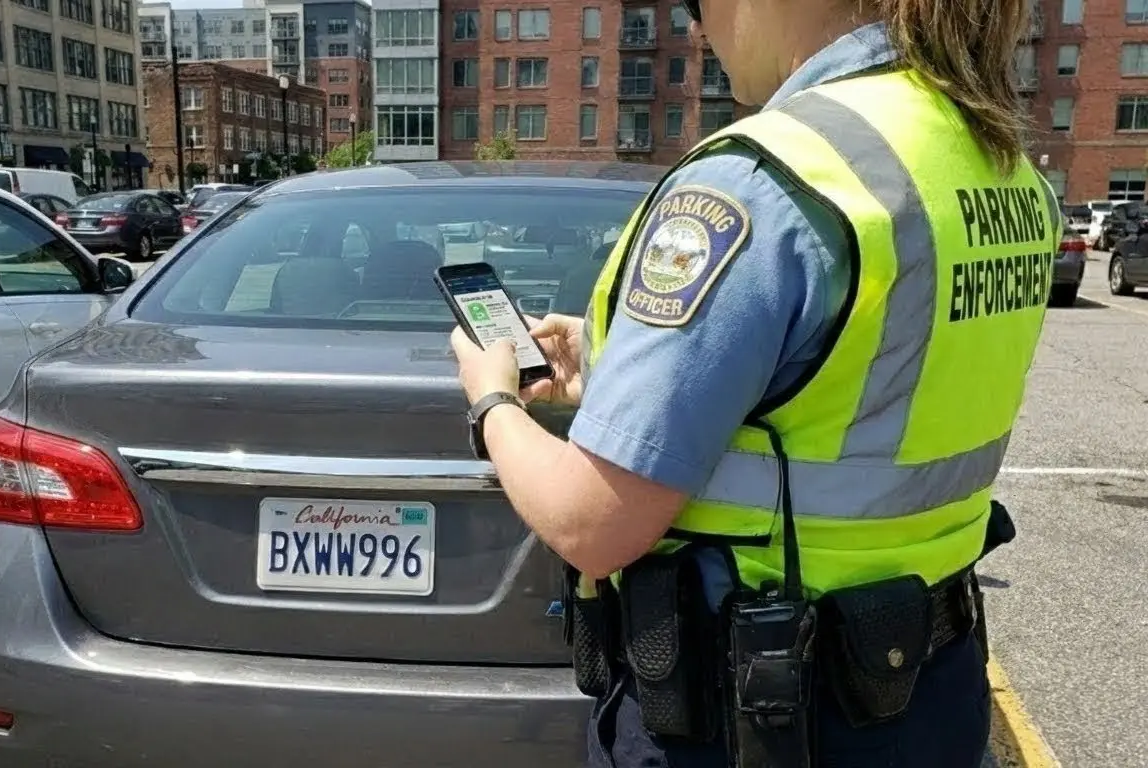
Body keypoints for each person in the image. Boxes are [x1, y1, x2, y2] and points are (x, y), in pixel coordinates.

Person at [448, 0, 1055, 765]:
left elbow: (593, 525)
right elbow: (856, 381)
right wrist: (611, 365)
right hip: (926, 690)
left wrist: (493, 399)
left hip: (763, 714)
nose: (700, 27)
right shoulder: (997, 164)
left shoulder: (764, 179)